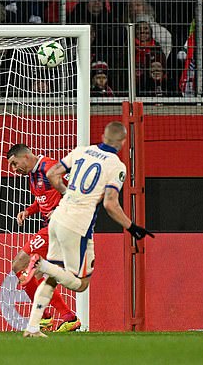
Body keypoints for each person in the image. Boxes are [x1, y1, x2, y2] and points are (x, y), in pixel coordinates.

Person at [21, 121, 154, 338]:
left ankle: (33, 327)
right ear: (122, 142)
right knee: (80, 284)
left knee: (54, 276)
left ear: (102, 135)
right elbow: (111, 204)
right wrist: (132, 226)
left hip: (57, 217)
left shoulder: (82, 151)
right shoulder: (116, 166)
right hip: (78, 225)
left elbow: (54, 174)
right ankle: (40, 263)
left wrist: (68, 194)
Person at [6, 144, 80, 332]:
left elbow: (75, 191)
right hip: (54, 228)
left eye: (15, 163)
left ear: (25, 156)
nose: (14, 169)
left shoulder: (49, 168)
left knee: (19, 265)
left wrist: (61, 210)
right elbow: (42, 200)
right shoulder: (33, 174)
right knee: (33, 276)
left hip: (60, 227)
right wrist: (28, 211)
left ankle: (49, 316)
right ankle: (64, 316)